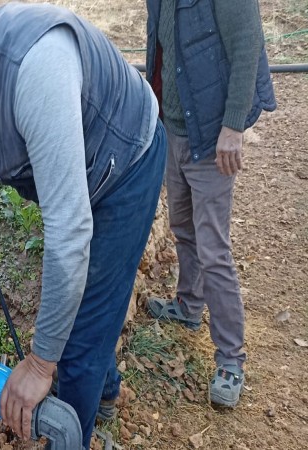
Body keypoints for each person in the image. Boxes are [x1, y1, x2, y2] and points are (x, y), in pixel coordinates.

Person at [0, 3, 167, 448]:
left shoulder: (38, 72)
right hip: (84, 169)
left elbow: (70, 234)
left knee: (77, 339)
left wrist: (41, 364)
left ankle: (72, 431)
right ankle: (106, 391)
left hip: (125, 164)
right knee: (86, 304)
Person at [144, 0, 275, 408]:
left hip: (212, 134)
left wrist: (234, 125)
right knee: (182, 226)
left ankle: (231, 358)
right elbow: (159, 50)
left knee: (214, 249)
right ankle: (188, 303)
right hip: (175, 129)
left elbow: (246, 42)